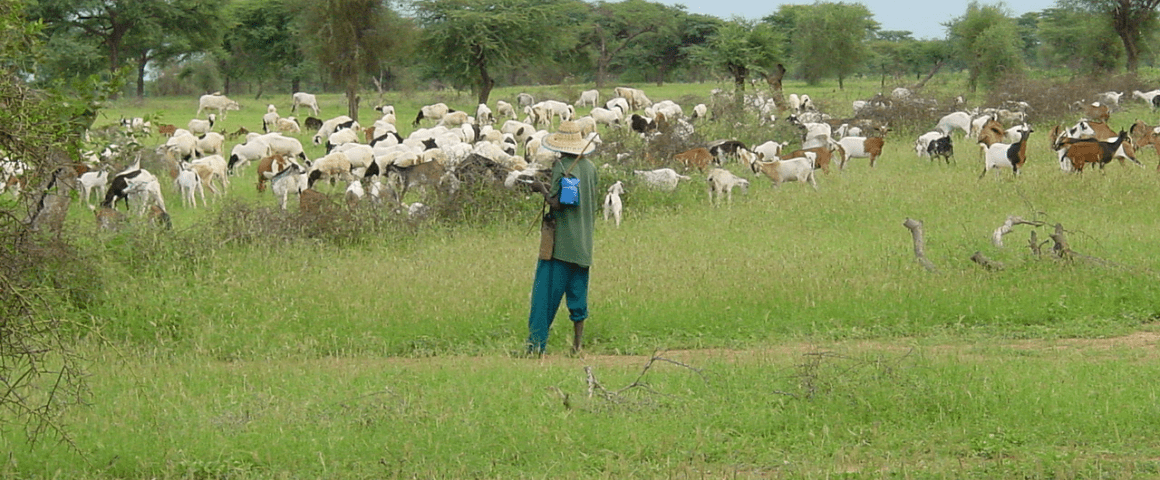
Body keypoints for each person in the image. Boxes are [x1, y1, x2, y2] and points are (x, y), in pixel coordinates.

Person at [525, 120, 599, 355]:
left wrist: (542, 189)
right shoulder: (589, 167)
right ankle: (577, 346)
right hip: (584, 243)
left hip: (561, 244)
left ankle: (536, 347)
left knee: (544, 296)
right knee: (578, 296)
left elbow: (563, 202)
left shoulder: (567, 167)